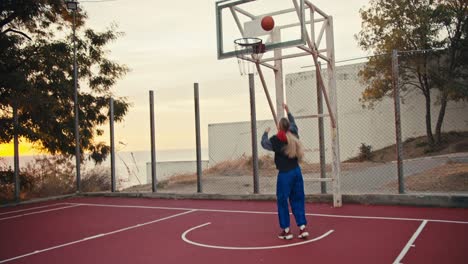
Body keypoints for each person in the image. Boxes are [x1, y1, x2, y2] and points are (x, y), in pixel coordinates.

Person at [261, 103, 308, 240]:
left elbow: (264, 144)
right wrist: (288, 111)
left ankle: (287, 230)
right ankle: (302, 228)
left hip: (285, 175)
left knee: (282, 201)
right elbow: (293, 122)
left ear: (279, 127)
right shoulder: (294, 133)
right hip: (296, 172)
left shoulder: (276, 140)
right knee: (298, 199)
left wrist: (265, 132)